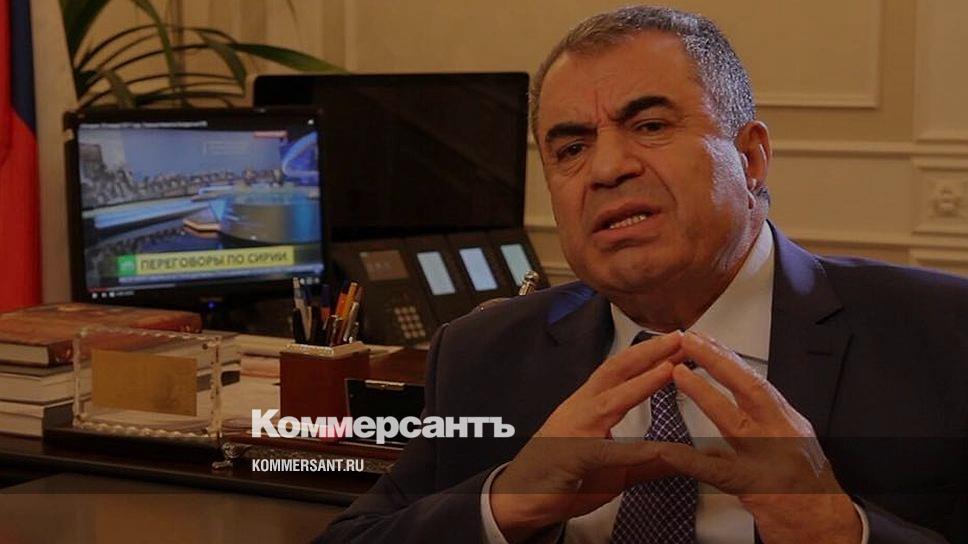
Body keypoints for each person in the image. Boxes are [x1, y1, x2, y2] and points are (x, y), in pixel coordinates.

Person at [323, 5, 967, 543]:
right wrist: (505, 502)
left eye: (650, 126)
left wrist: (838, 531)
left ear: (750, 158)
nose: (606, 169)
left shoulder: (944, 335)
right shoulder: (482, 356)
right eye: (571, 148)